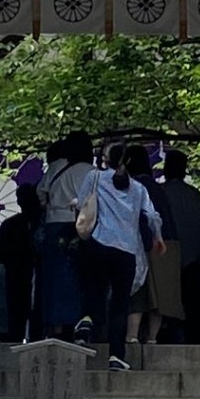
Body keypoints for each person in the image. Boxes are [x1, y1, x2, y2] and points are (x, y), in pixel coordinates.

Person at [81, 149, 157, 368]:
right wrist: (158, 237)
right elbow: (151, 216)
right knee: (119, 305)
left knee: (95, 289)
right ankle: (116, 356)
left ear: (105, 160)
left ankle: (87, 320)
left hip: (99, 244)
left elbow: (82, 204)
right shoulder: (139, 189)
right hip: (126, 252)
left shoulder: (94, 177)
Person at [37, 132, 98, 339]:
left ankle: (54, 327)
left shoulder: (56, 167)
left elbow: (41, 195)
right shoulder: (92, 172)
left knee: (54, 279)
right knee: (81, 278)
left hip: (54, 227)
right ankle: (80, 325)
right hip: (83, 227)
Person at [150, 148, 200, 343]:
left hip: (164, 257)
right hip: (192, 260)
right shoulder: (195, 196)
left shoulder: (159, 193)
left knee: (164, 303)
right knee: (189, 305)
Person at [0, 161, 42, 345]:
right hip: (38, 272)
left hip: (15, 274)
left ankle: (15, 345)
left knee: (16, 317)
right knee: (38, 314)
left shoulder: (10, 225)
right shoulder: (44, 223)